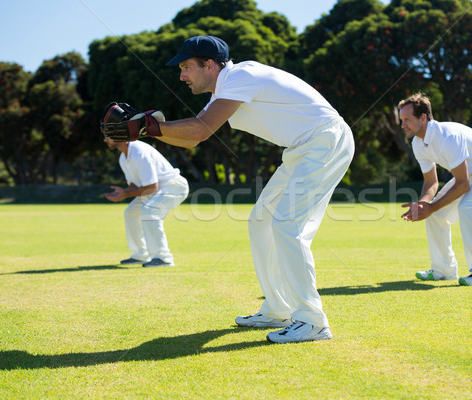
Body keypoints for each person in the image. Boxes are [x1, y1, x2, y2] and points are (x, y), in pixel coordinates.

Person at [140, 35, 354, 343]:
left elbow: (199, 130)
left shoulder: (241, 76)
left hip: (325, 140)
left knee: (286, 225)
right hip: (303, 148)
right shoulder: (224, 90)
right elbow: (193, 137)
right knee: (261, 220)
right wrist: (147, 130)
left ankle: (312, 321)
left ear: (210, 65)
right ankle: (278, 308)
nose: (182, 76)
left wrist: (149, 127)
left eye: (186, 67)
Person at [398, 93, 472, 286]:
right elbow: (431, 182)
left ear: (423, 117)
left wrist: (431, 207)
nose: (403, 125)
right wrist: (424, 203)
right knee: (435, 213)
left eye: (407, 119)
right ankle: (444, 269)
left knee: (468, 208)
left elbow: (463, 184)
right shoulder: (418, 143)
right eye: (401, 120)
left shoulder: (447, 136)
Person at [104, 137, 189, 267]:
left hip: (174, 186)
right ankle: (141, 255)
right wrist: (123, 192)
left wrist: (126, 194)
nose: (105, 140)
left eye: (108, 136)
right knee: (131, 213)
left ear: (121, 136)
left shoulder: (139, 151)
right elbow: (135, 186)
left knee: (150, 210)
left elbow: (152, 186)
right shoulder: (123, 158)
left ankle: (163, 258)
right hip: (155, 190)